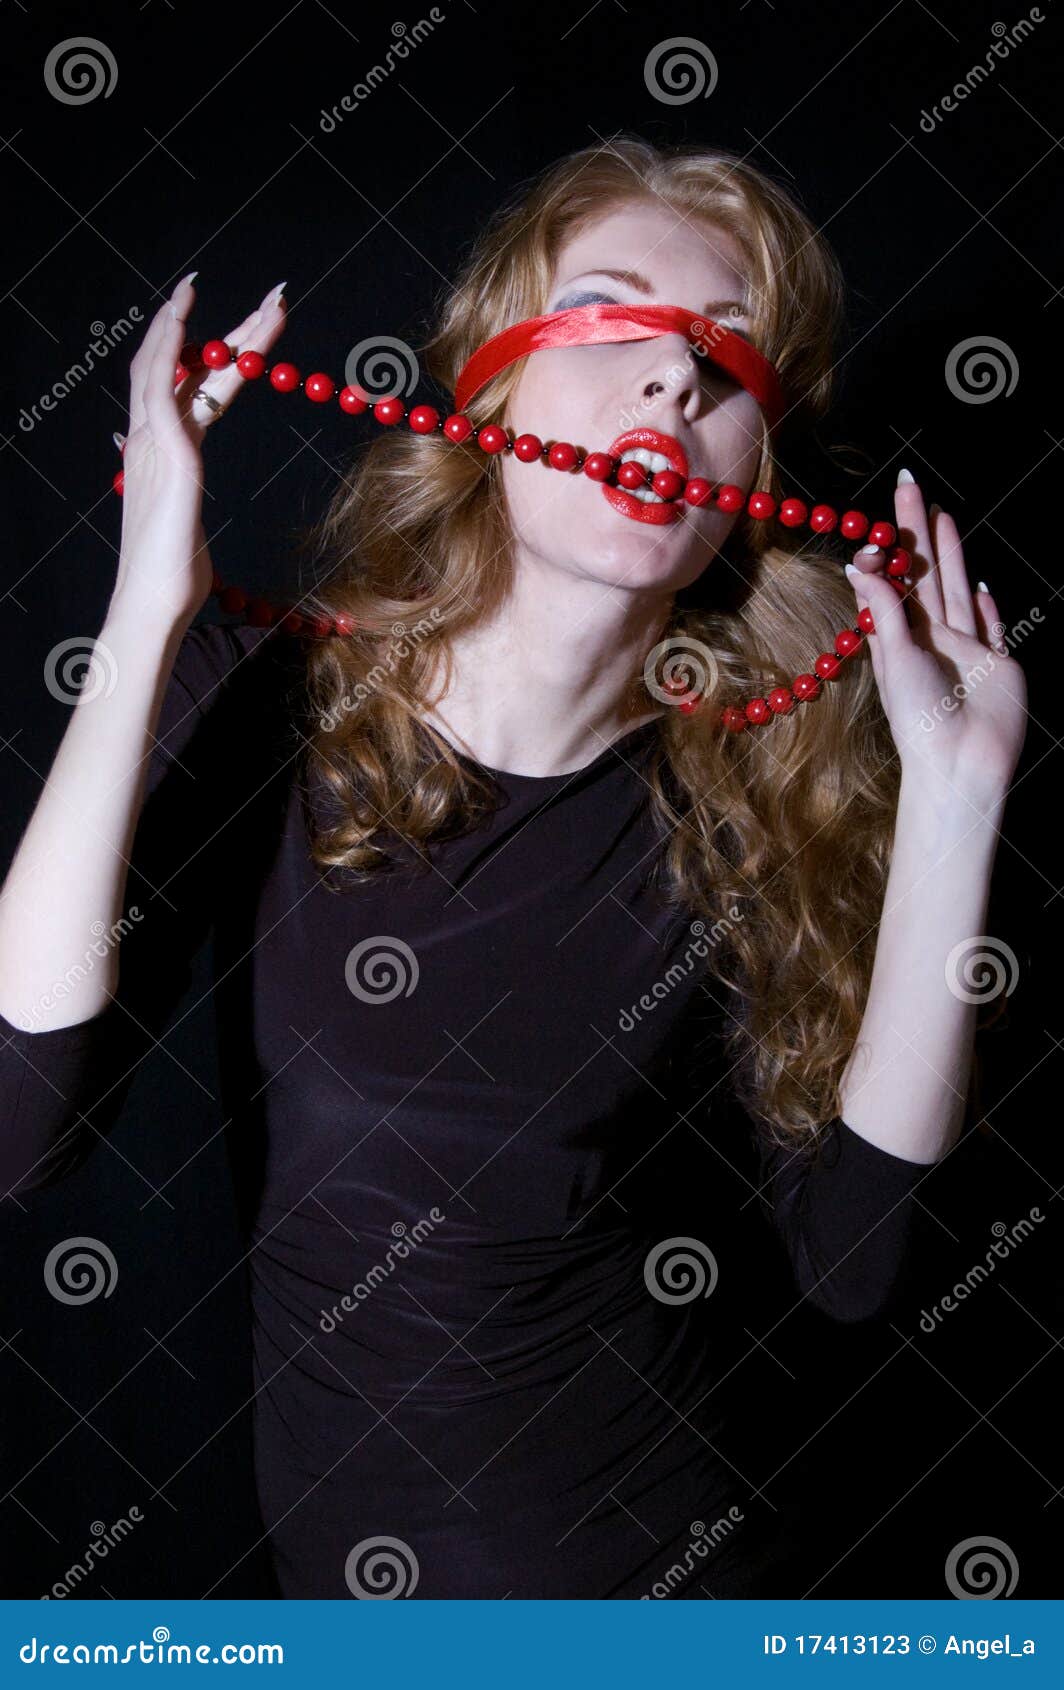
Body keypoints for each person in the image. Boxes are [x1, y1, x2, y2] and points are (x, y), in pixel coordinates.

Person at [0, 137, 1026, 1599]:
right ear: (490, 387)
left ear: (756, 469)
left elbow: (856, 1263)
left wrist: (959, 796)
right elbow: (14, 1127)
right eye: (615, 319)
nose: (678, 381)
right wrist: (143, 610)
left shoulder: (741, 798)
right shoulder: (259, 699)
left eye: (726, 357)